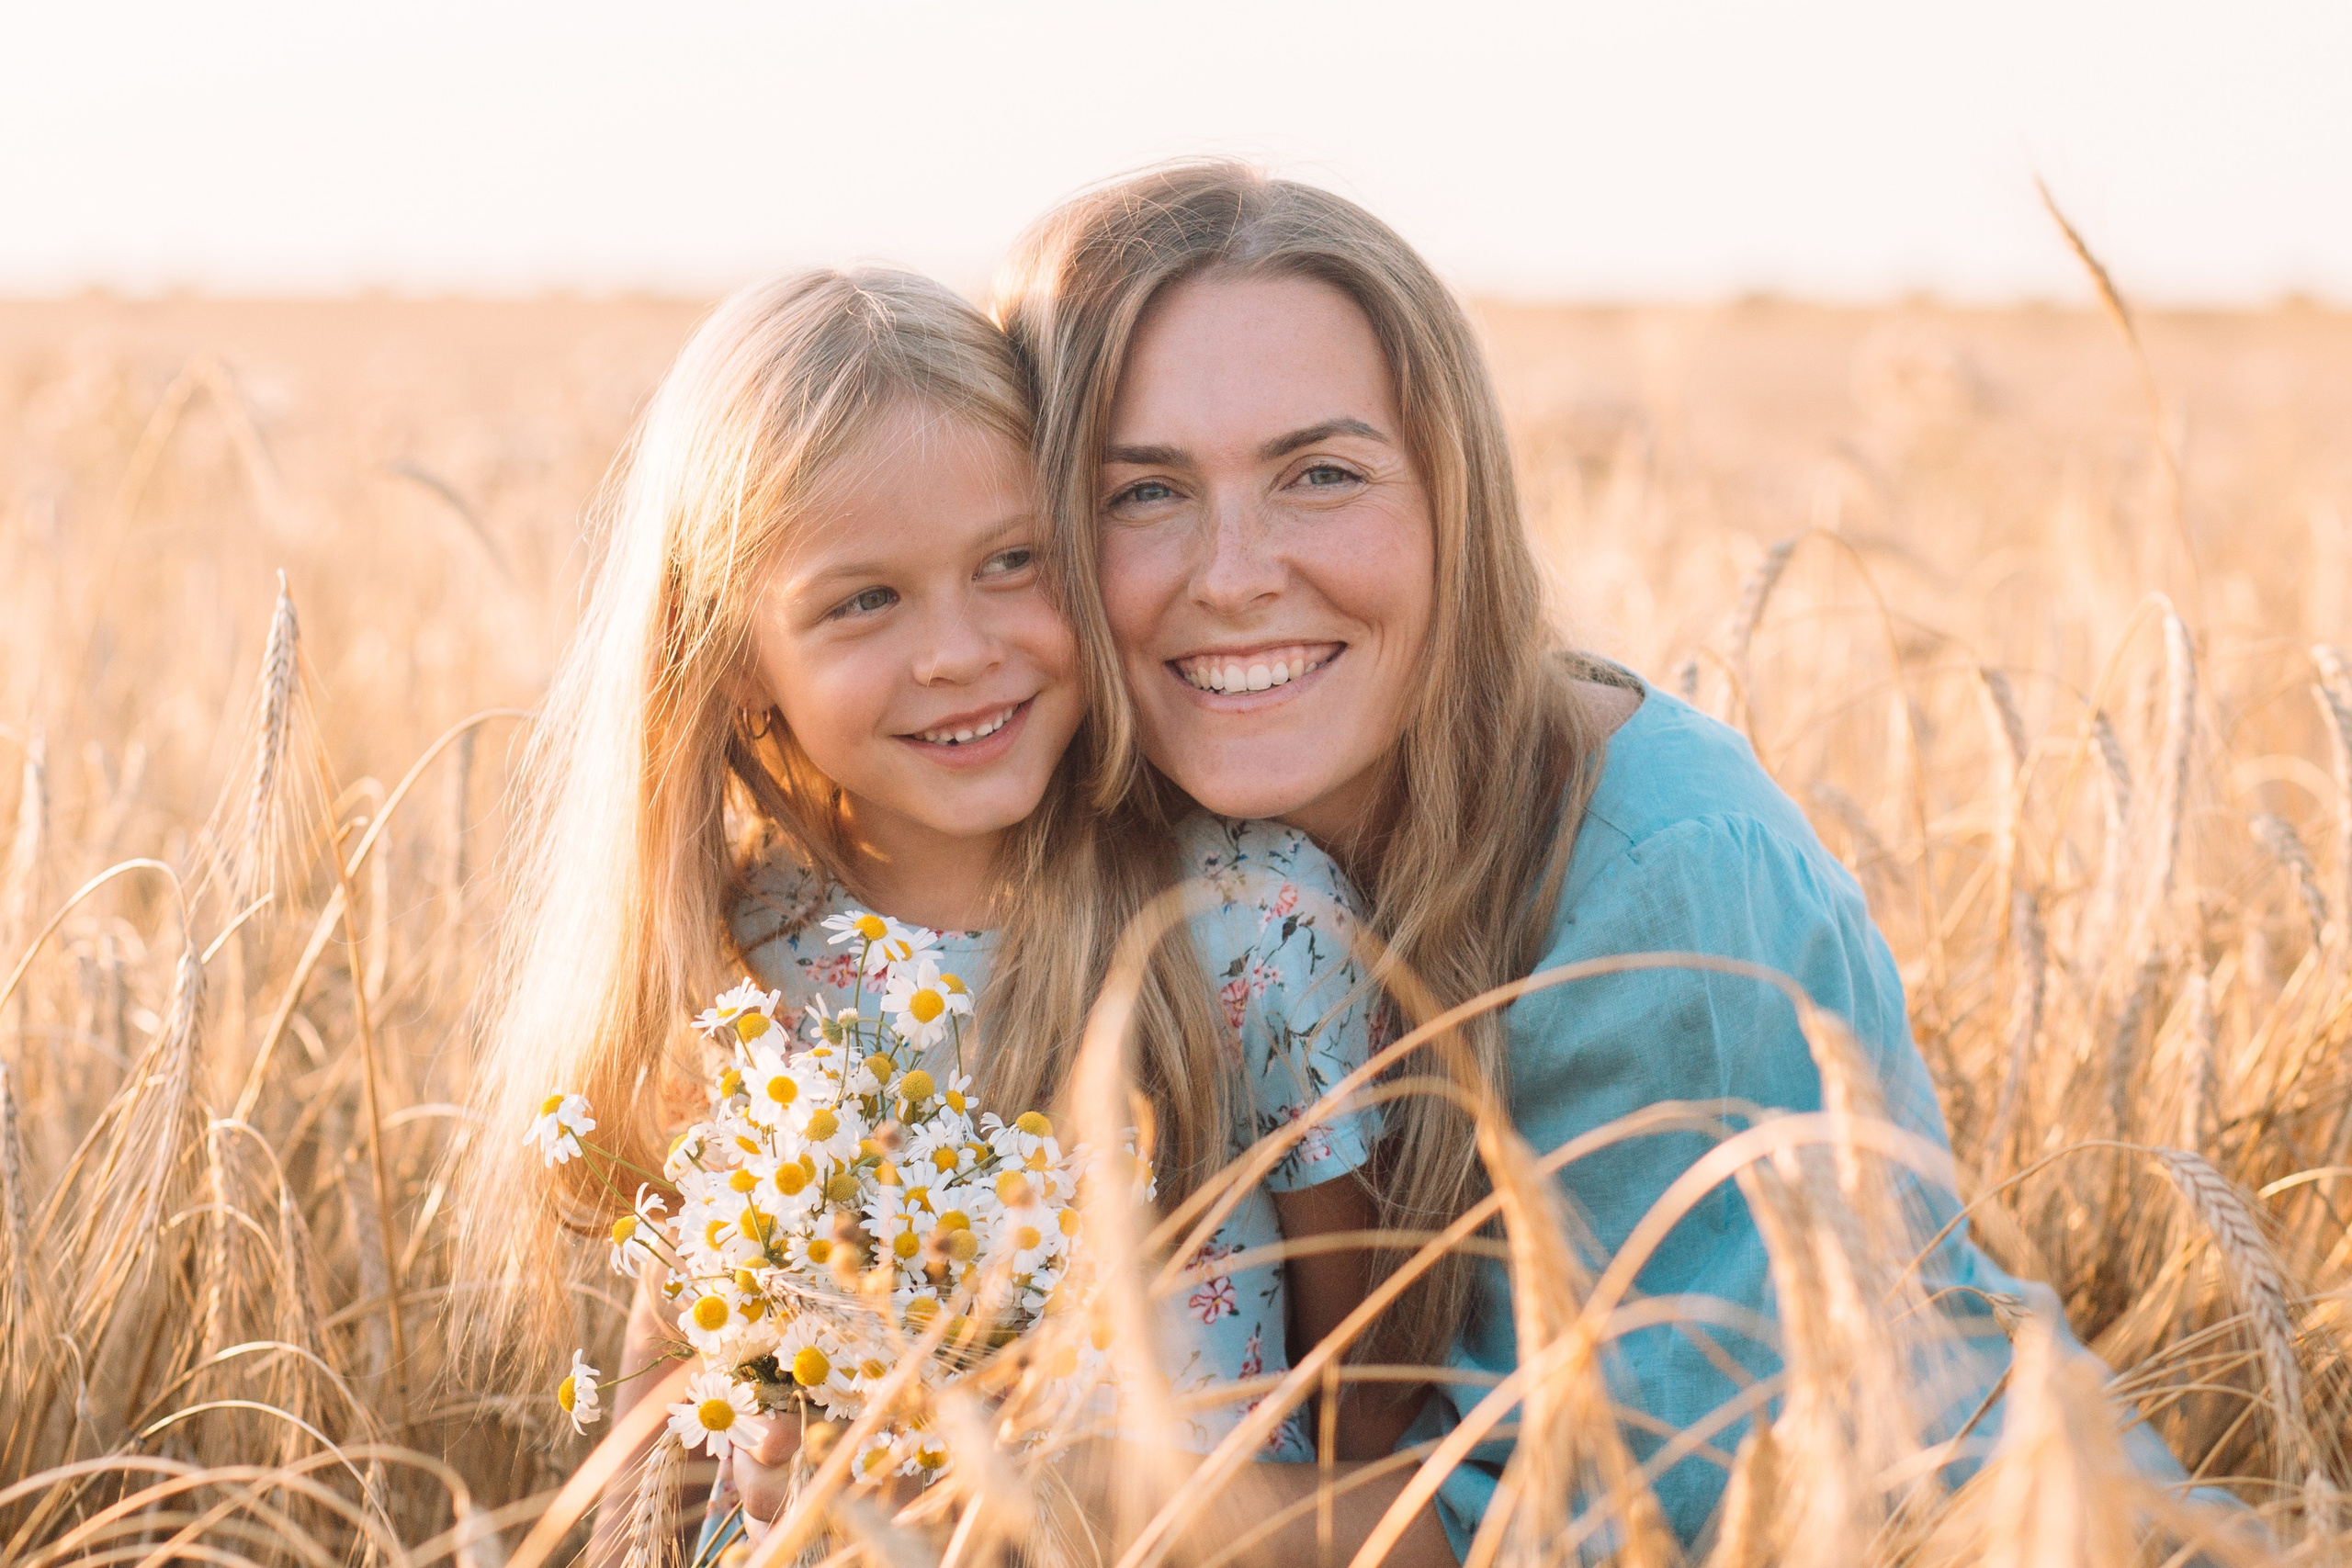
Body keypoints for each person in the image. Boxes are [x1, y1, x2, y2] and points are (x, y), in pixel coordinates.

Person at [994, 161, 2211, 1560]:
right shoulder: (1093, 852)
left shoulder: (1659, 875)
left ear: (1457, 495)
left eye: (1320, 474)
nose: (1234, 571)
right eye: (1142, 493)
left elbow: (1588, 1524)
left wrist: (1010, 1500)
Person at [457, 266, 1393, 1558]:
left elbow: (1378, 1431)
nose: (957, 649)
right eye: (864, 601)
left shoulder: (1247, 921)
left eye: (1012, 564)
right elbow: (662, 1444)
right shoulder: (737, 961)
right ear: (735, 665)